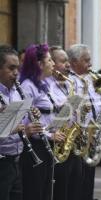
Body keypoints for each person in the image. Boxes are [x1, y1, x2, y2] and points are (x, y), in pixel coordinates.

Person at [19, 44, 65, 200]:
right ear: (39, 64)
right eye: (50, 60)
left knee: (46, 191)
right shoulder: (27, 86)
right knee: (35, 191)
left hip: (45, 144)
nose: (53, 64)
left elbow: (44, 116)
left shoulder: (41, 85)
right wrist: (49, 135)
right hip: (35, 146)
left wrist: (53, 131)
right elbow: (27, 123)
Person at [0, 45, 43, 200]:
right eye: (11, 68)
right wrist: (22, 129)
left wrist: (31, 116)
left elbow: (20, 124)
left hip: (16, 161)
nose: (16, 73)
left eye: (17, 68)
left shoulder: (17, 93)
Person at [46, 46, 83, 200]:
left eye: (68, 61)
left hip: (71, 141)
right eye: (63, 61)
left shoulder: (70, 84)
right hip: (56, 142)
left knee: (74, 189)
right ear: (52, 64)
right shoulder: (47, 85)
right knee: (60, 190)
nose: (68, 65)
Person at [67, 44, 101, 200]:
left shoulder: (88, 78)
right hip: (78, 135)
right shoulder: (70, 81)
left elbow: (96, 103)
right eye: (86, 60)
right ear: (74, 62)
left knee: (88, 180)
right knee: (77, 184)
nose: (91, 64)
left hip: (91, 133)